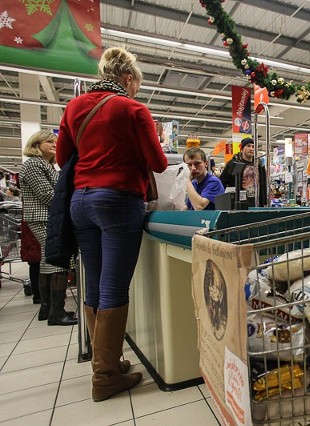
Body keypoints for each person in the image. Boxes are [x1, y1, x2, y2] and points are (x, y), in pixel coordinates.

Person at [57, 47, 168, 402]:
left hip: (81, 203)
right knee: (114, 288)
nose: (136, 89)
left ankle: (108, 362)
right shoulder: (133, 108)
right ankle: (105, 376)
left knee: (95, 283)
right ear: (127, 78)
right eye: (136, 83)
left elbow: (62, 157)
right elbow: (159, 163)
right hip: (118, 201)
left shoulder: (74, 107)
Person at [21, 130, 77, 326]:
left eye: (55, 141)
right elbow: (46, 194)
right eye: (49, 141)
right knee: (57, 261)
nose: (54, 144)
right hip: (44, 217)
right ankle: (56, 312)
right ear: (36, 144)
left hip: (46, 217)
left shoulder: (46, 165)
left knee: (47, 261)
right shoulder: (33, 164)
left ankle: (47, 309)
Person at [219, 137, 266, 206]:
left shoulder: (259, 165)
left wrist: (264, 201)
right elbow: (222, 182)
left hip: (257, 203)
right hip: (239, 204)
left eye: (253, 146)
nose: (251, 149)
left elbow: (263, 184)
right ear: (242, 148)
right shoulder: (233, 163)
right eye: (248, 146)